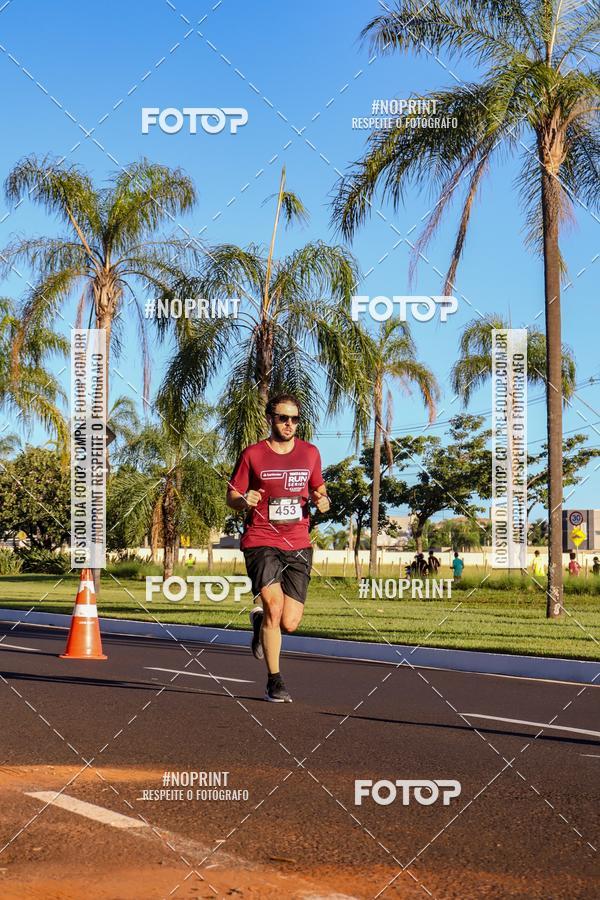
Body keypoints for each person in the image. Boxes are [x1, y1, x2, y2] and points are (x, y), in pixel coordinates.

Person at [226, 394, 330, 703]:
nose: (289, 424)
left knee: (290, 622)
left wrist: (323, 500)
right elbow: (231, 495)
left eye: (294, 419)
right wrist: (244, 500)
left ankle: (260, 624)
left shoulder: (310, 453)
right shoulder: (253, 455)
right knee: (273, 605)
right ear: (271, 418)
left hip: (298, 542)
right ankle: (274, 680)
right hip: (261, 538)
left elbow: (319, 489)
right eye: (283, 418)